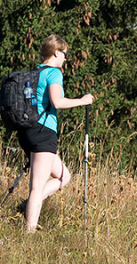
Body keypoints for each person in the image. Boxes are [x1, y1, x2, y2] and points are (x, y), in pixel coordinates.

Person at [19, 34, 94, 233]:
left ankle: (27, 206)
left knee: (64, 177)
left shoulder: (35, 73)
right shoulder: (54, 73)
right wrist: (82, 101)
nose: (66, 59)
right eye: (65, 54)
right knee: (37, 187)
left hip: (28, 131)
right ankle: (29, 233)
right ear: (55, 52)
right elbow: (57, 102)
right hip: (44, 131)